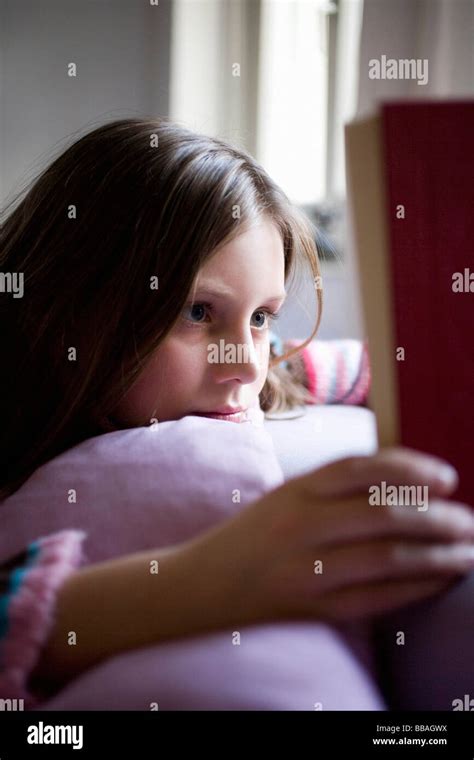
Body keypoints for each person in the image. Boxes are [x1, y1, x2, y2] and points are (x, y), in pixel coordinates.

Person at [0, 118, 472, 709]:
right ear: (73, 311)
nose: (246, 365)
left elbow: (372, 367)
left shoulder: (257, 371)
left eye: (262, 316)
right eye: (198, 312)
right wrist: (210, 579)